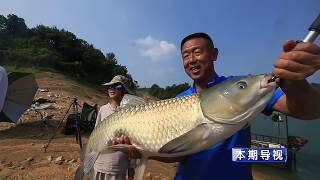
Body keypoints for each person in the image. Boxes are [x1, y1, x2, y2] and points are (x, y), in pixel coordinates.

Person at [114, 32, 320, 180]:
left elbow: (310, 110)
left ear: (214, 54)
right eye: (185, 55)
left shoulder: (241, 89)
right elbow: (178, 152)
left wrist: (294, 81)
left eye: (197, 52)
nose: (191, 60)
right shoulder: (180, 100)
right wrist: (142, 151)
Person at [93, 75, 145, 180]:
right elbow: (95, 136)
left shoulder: (131, 114)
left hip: (118, 166)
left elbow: (132, 142)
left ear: (125, 90)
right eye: (110, 86)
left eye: (117, 86)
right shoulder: (103, 110)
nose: (111, 88)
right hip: (99, 164)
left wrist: (131, 167)